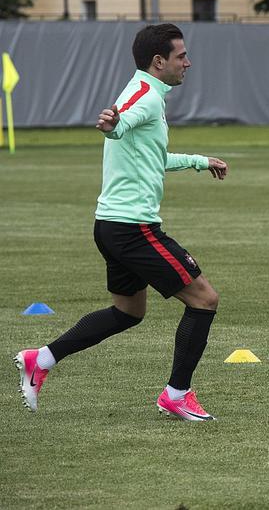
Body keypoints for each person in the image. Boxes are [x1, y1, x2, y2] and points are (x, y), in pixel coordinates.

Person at [14, 23, 228, 422]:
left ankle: (40, 358)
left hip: (111, 226)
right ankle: (176, 394)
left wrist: (201, 161)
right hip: (133, 230)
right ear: (159, 61)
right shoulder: (144, 97)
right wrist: (112, 125)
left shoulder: (147, 93)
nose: (188, 62)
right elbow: (120, 124)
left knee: (128, 313)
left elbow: (153, 158)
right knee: (205, 299)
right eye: (181, 56)